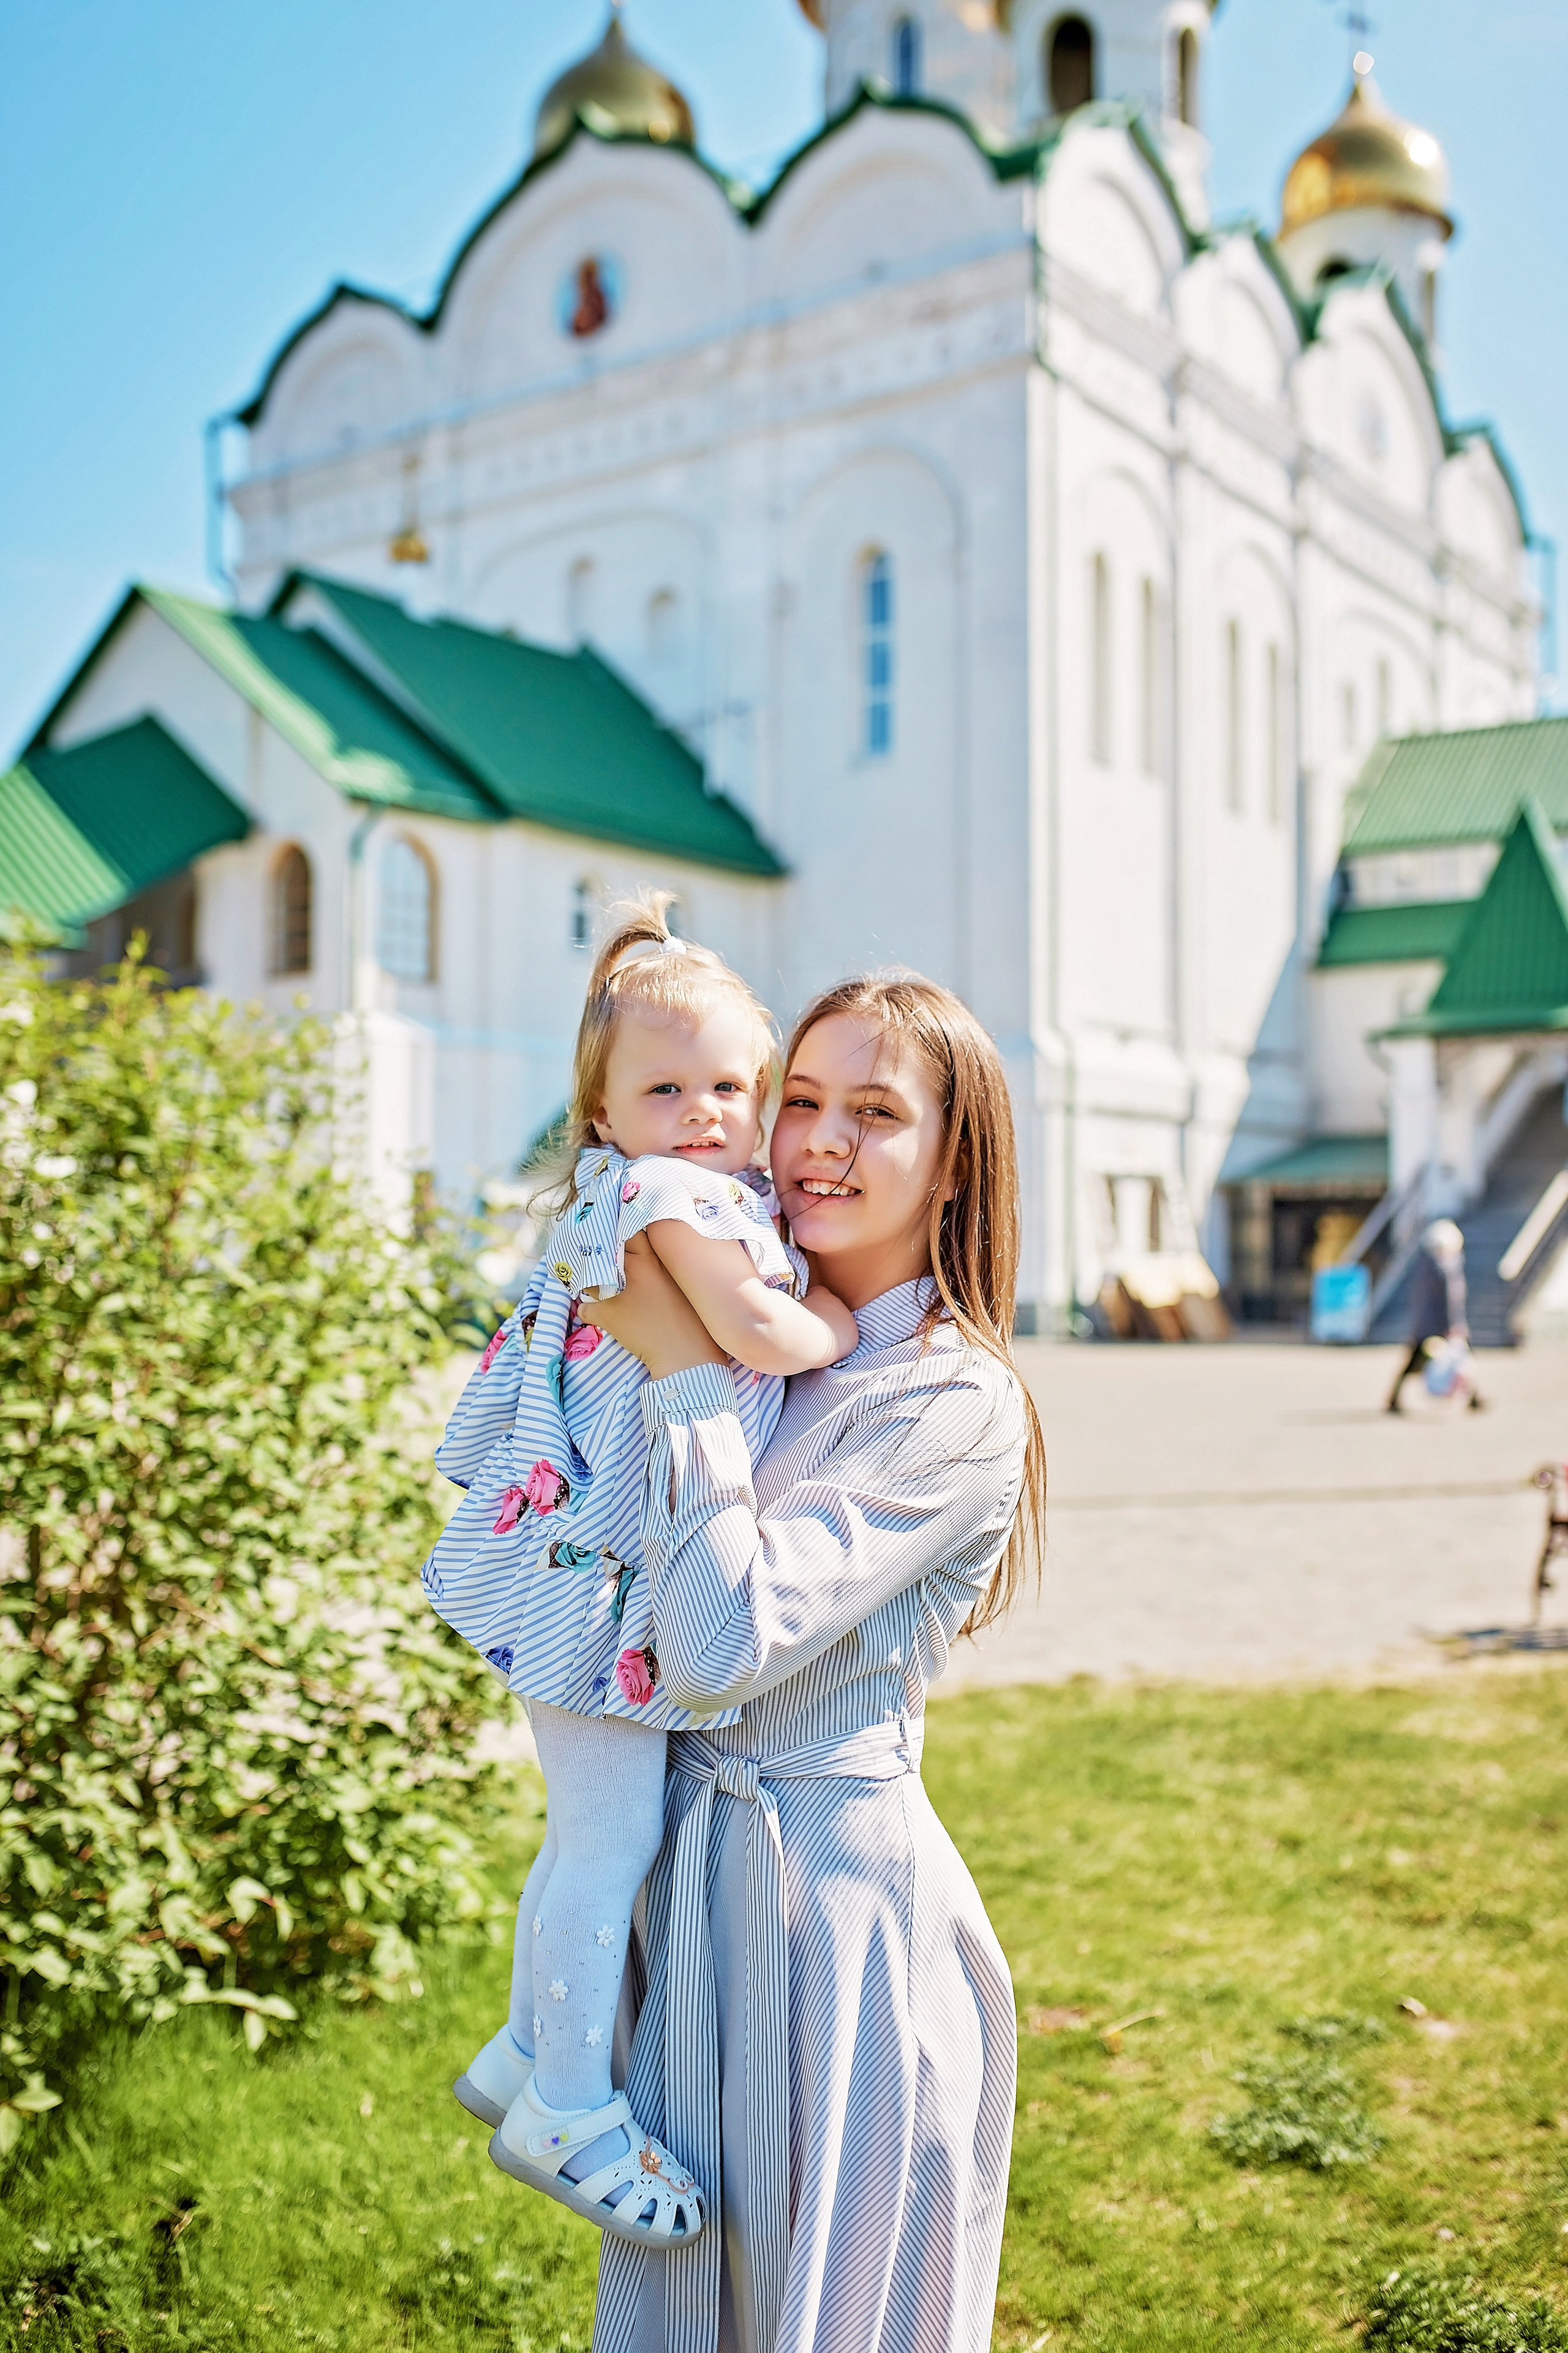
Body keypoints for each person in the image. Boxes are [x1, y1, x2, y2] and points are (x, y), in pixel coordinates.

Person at [584, 972, 1047, 2353]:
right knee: (689, 2307)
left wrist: (676, 1366)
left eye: (876, 1113)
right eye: (800, 1100)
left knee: (817, 2308)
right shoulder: (758, 1329)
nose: (820, 1143)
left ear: (953, 1163)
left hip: (833, 1921)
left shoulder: (950, 1400)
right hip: (692, 1885)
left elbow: (715, 1650)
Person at [422, 897, 858, 2246]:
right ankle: (566, 2105)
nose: (705, 1113)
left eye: (730, 1085)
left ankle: (521, 2050)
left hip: (576, 1558)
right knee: (608, 1841)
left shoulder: (645, 1193)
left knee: (582, 1833)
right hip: (604, 1573)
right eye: (665, 1090)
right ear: (603, 1114)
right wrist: (834, 1323)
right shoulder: (670, 1198)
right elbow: (758, 1334)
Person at [1386, 1217, 1483, 1413]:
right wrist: (1453, 1325)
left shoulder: (1424, 1267)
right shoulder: (1446, 1268)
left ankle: (1474, 1397)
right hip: (1441, 1326)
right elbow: (1450, 1300)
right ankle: (1474, 1397)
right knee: (1462, 1359)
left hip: (1424, 1325)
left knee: (1416, 1362)